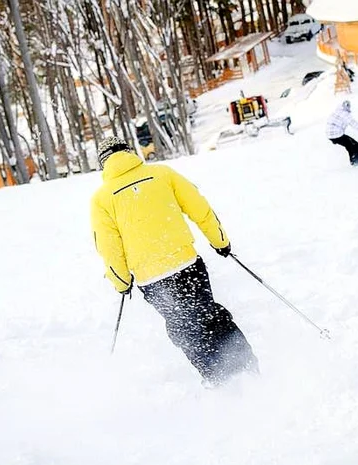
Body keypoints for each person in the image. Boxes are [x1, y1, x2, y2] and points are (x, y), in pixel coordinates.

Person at [90, 136, 258, 386]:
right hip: (186, 264)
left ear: (103, 164)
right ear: (129, 152)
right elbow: (200, 208)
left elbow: (108, 247)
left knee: (184, 327)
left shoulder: (102, 199)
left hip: (153, 280)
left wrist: (121, 281)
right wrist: (220, 241)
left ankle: (217, 377)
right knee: (207, 312)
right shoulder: (162, 174)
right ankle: (245, 366)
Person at [326, 100, 358, 167]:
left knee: (350, 145)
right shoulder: (345, 114)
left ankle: (354, 162)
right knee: (355, 145)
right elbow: (353, 123)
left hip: (330, 135)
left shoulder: (336, 111)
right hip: (337, 134)